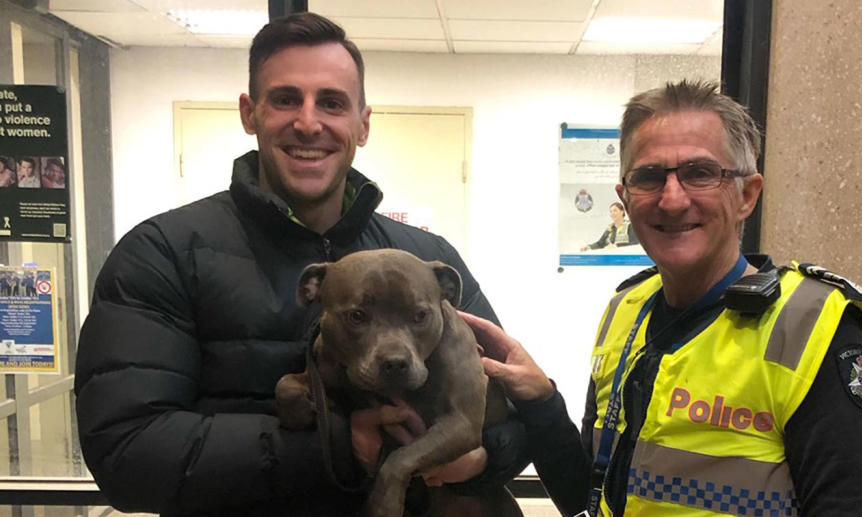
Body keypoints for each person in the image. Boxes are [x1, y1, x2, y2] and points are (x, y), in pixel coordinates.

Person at [74, 13, 526, 517]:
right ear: (250, 113)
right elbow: (126, 455)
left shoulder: (423, 259)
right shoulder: (163, 251)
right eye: (286, 99)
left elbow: (509, 414)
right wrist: (335, 447)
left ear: (363, 123)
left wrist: (484, 459)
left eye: (332, 103)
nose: (309, 122)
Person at [465, 80, 862, 517]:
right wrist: (540, 401)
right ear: (625, 198)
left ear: (746, 195)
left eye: (700, 173)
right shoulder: (626, 311)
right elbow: (589, 497)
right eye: (649, 178)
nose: (672, 200)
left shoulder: (811, 329)